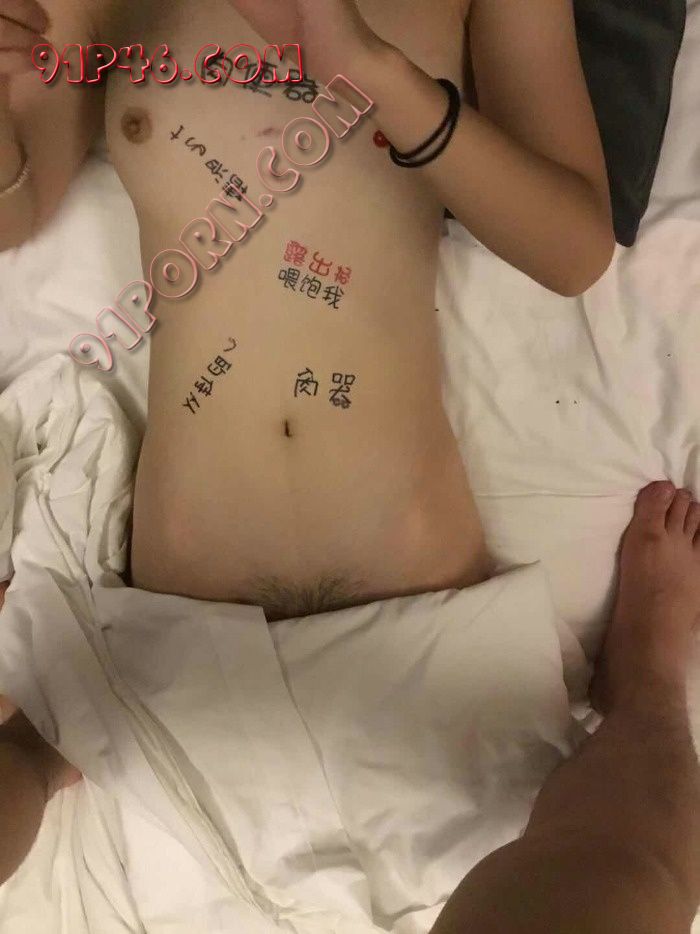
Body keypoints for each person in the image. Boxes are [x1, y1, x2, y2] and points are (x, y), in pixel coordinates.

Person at [1, 0, 696, 931]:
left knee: (623, 890)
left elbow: (573, 252)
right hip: (172, 636)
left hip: (424, 617)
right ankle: (40, 751)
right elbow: (16, 211)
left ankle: (644, 691)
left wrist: (373, 72)